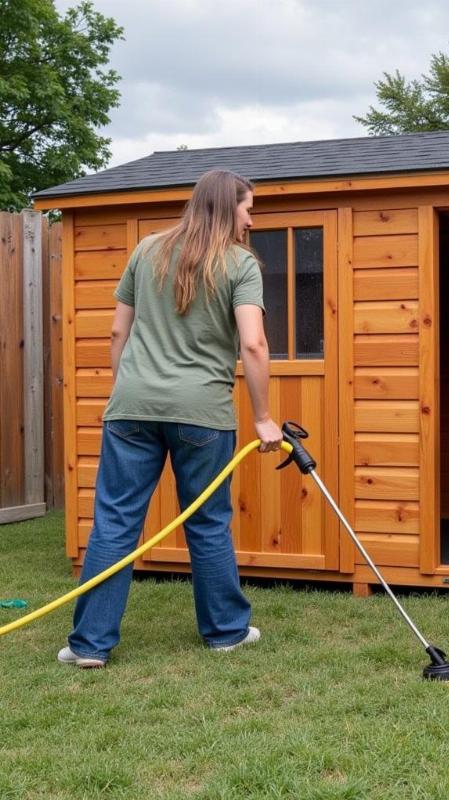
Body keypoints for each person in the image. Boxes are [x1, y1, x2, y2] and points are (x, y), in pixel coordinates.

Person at [57, 169, 283, 668]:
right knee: (207, 522)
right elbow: (253, 343)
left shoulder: (147, 249)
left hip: (132, 408)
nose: (252, 217)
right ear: (228, 208)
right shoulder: (241, 265)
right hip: (202, 413)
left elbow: (118, 334)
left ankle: (89, 646)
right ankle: (225, 633)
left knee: (114, 524)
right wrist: (264, 417)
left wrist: (127, 390)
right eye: (248, 207)